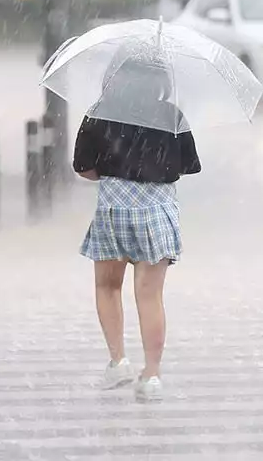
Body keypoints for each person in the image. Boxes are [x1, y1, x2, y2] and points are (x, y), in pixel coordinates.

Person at [73, 59, 200, 402]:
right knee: (150, 296)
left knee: (107, 286)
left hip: (114, 208)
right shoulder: (171, 115)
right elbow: (189, 166)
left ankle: (118, 361)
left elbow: (83, 167)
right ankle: (152, 374)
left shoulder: (100, 113)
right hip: (157, 212)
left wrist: (115, 171)